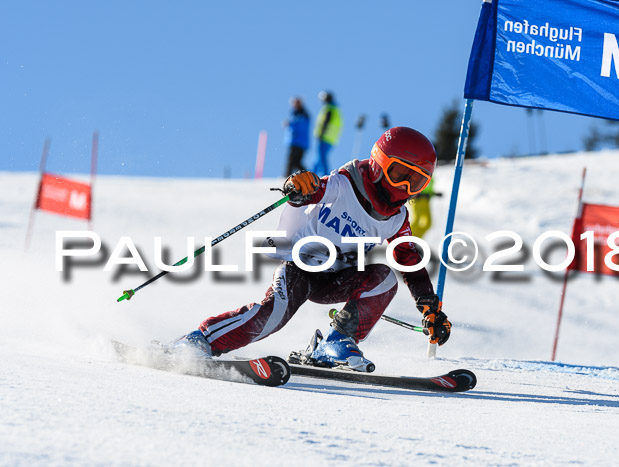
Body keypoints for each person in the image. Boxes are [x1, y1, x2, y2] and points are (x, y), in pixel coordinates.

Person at [172, 127, 452, 372]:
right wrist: (298, 185)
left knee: (385, 277)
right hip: (302, 269)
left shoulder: (396, 219)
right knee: (274, 315)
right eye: (400, 174)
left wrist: (429, 307)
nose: (404, 188)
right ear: (379, 163)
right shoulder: (345, 184)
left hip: (338, 279)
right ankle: (198, 340)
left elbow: (409, 261)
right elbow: (313, 189)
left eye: (415, 182)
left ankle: (336, 343)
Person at [312, 91, 343, 176]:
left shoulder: (329, 108)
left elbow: (326, 122)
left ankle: (323, 174)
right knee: (319, 157)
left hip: (325, 137)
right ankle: (312, 173)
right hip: (331, 138)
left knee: (321, 157)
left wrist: (321, 132)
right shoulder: (334, 108)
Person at [283, 97, 310, 176]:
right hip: (296, 141)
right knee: (296, 162)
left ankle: (286, 176)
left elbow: (300, 126)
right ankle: (307, 175)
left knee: (292, 161)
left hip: (298, 142)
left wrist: (290, 124)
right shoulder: (295, 114)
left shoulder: (303, 114)